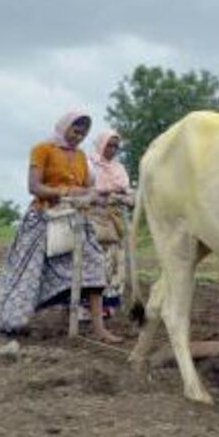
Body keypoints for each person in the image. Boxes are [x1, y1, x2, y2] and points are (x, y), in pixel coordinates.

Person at [0, 111, 121, 343]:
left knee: (95, 266)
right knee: (28, 274)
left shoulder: (81, 157)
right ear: (63, 127)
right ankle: (12, 320)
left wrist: (102, 197)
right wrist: (65, 192)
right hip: (43, 218)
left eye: (83, 133)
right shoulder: (42, 149)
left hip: (74, 219)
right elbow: (34, 187)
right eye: (75, 130)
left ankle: (99, 329)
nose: (78, 136)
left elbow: (86, 189)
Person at [87, 128, 135, 318]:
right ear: (101, 144)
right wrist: (112, 193)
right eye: (109, 145)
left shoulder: (119, 168)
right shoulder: (90, 164)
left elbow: (127, 192)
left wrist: (126, 197)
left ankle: (108, 305)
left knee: (115, 263)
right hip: (94, 218)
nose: (113, 149)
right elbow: (89, 189)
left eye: (116, 146)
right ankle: (86, 307)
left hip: (116, 220)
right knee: (94, 262)